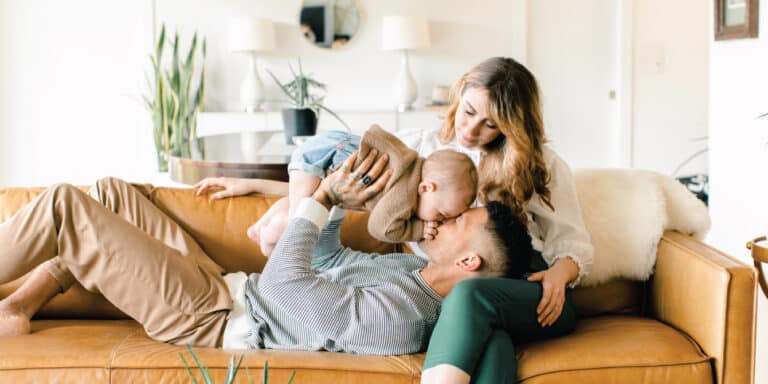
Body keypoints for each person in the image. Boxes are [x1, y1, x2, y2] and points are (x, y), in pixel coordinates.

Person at [200, 57, 594, 382]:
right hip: (465, 283)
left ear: (513, 126)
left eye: (491, 124)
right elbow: (349, 181)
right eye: (470, 112)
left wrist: (561, 274)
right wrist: (251, 183)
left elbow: (572, 241)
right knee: (484, 327)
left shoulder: (540, 164)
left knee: (471, 294)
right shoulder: (425, 149)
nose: (472, 130)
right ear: (459, 98)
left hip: (532, 287)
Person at [0, 150, 534, 356]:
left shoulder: (403, 315)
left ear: (471, 263)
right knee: (112, 191)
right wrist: (337, 195)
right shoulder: (407, 267)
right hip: (225, 286)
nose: (443, 217)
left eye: (462, 220)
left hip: (210, 316)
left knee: (66, 207)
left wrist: (321, 201)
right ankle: (17, 308)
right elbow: (322, 263)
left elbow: (284, 287)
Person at [208, 124, 477, 256]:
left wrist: (253, 185)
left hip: (327, 149)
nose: (438, 221)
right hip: (324, 156)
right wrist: (418, 230)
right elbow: (380, 228)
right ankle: (265, 236)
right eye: (441, 213)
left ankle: (265, 225)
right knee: (300, 224)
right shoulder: (403, 194)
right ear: (426, 187)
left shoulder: (415, 168)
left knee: (304, 206)